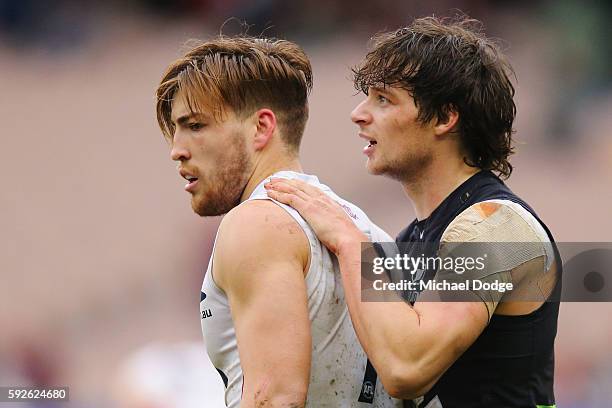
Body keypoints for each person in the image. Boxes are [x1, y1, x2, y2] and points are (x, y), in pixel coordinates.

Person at [265, 16, 561, 408]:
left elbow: (406, 368)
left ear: (444, 118)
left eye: (383, 99)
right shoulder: (412, 240)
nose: (358, 113)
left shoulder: (496, 227)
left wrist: (349, 241)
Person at [155, 36, 401, 407]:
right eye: (176, 129)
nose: (177, 149)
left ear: (261, 128)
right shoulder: (363, 227)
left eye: (195, 125)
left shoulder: (257, 224)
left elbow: (276, 398)